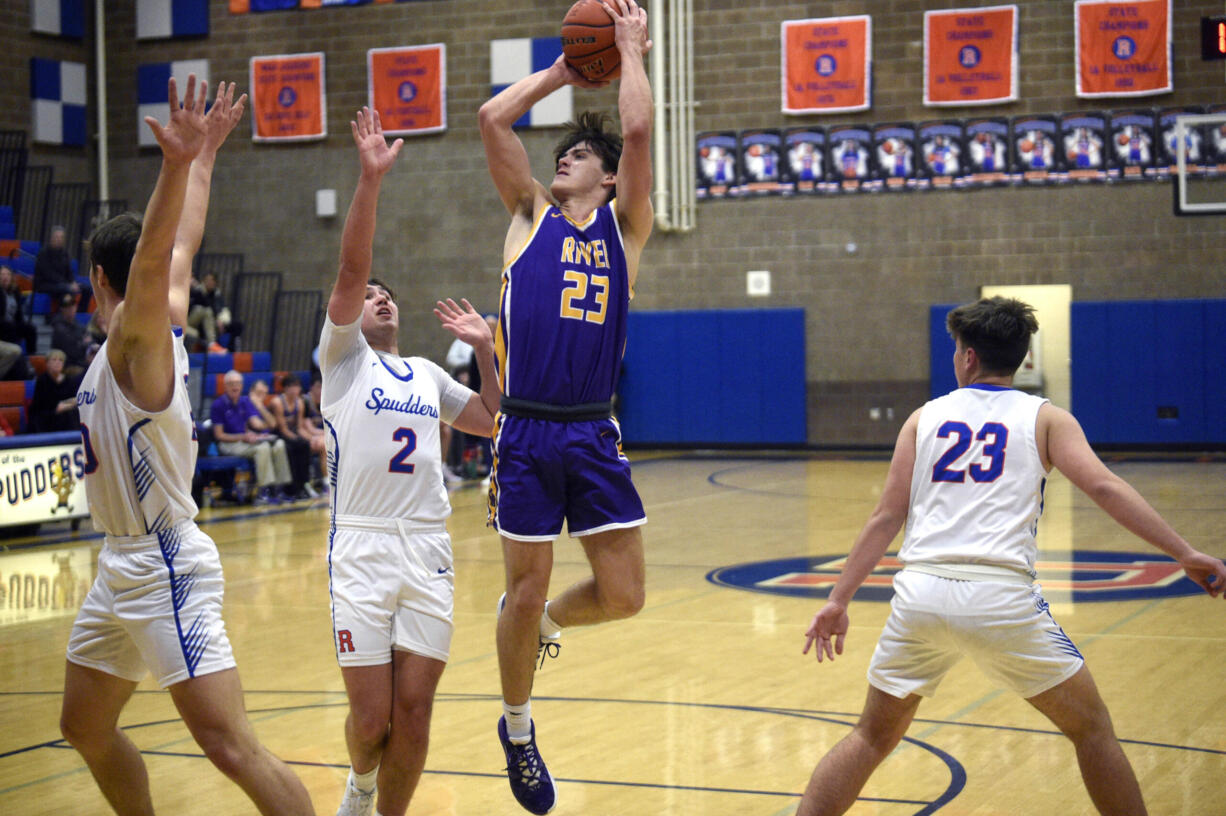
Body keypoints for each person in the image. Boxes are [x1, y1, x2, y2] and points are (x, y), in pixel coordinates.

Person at [795, 296, 1226, 816]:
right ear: (1023, 359)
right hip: (1001, 599)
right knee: (1092, 731)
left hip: (921, 595)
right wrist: (1183, 552)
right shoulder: (1046, 418)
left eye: (955, 350)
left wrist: (838, 600)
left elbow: (886, 517)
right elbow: (1105, 488)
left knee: (870, 737)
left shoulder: (924, 418)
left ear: (968, 357)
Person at [58, 77, 314, 815]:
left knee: (231, 747)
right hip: (121, 562)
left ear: (96, 277)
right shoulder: (158, 315)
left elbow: (155, 257)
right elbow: (183, 242)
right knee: (83, 725)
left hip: (164, 560)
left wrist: (176, 166)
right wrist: (203, 159)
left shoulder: (135, 334)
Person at [477, 1, 653, 811]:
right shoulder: (528, 218)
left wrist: (628, 52)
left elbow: (641, 136)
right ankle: (519, 731)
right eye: (565, 151)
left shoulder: (626, 229)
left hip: (593, 427)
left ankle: (543, 622)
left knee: (624, 596)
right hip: (527, 427)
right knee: (520, 584)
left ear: (608, 178)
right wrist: (563, 70)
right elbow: (492, 118)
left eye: (582, 153)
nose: (567, 158)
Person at [323, 106, 499, 816]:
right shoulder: (340, 362)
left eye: (388, 295)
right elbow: (351, 265)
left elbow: (491, 421)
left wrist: (486, 348)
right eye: (370, 297)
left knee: (416, 715)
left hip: (426, 546)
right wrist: (370, 181)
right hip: (361, 546)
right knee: (372, 724)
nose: (380, 297)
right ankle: (360, 784)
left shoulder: (426, 371)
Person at [210, 369, 293, 504]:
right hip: (228, 443)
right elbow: (219, 435)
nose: (235, 386)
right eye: (231, 383)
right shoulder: (218, 405)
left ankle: (279, 489)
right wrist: (243, 436)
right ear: (225, 387)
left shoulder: (245, 402)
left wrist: (260, 407)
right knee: (263, 448)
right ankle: (263, 492)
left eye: (238, 383)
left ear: (242, 386)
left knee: (279, 444)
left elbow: (266, 424)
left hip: (244, 442)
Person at [269, 372, 316, 499]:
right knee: (292, 448)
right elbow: (283, 429)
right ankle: (290, 488)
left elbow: (300, 428)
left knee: (305, 445)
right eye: (293, 386)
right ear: (286, 388)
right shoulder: (277, 402)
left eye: (298, 386)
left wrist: (309, 439)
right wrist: (297, 440)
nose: (296, 390)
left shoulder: (299, 403)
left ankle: (303, 484)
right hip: (277, 434)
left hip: (292, 433)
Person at [34, 224, 91, 308]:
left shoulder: (64, 254)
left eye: (61, 237)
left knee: (87, 289)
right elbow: (49, 275)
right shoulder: (43, 254)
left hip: (62, 284)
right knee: (66, 289)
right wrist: (67, 285)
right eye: (57, 237)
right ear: (51, 238)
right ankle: (61, 315)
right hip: (45, 284)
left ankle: (79, 312)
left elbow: (69, 272)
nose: (59, 239)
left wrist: (72, 282)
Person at [27, 348, 79, 432]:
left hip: (66, 414)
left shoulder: (69, 380)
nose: (57, 363)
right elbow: (40, 406)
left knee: (73, 414)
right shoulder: (42, 381)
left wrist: (64, 405)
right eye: (54, 360)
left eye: (60, 360)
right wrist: (58, 407)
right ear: (47, 363)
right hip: (46, 416)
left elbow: (74, 400)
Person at [187, 270, 235, 353]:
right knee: (204, 310)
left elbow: (220, 308)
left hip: (203, 325)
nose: (209, 283)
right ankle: (211, 344)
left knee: (233, 325)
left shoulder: (216, 294)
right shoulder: (196, 291)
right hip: (187, 321)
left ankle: (212, 346)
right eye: (207, 280)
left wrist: (220, 320)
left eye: (212, 280)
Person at [50, 291, 95, 374]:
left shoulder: (78, 324)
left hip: (81, 362)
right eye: (67, 307)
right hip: (67, 364)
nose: (71, 309)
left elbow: (90, 342)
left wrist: (83, 344)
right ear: (62, 309)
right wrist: (83, 343)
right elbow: (71, 351)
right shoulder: (58, 327)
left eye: (73, 306)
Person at [0, 264, 38, 354]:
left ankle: (31, 356)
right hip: (1, 324)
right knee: (10, 327)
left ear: (11, 277)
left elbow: (19, 312)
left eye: (8, 274)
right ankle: (15, 356)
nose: (5, 277)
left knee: (30, 328)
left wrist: (22, 323)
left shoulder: (15, 290)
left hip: (11, 323)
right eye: (2, 274)